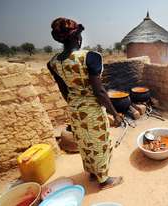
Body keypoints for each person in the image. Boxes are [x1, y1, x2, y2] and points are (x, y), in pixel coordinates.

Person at [47, 17, 124, 190]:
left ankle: (91, 172)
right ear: (76, 37)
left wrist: (75, 104)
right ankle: (104, 180)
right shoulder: (90, 57)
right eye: (79, 35)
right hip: (92, 110)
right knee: (99, 144)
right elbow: (99, 92)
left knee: (84, 142)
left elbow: (63, 89)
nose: (81, 39)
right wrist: (115, 114)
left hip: (74, 109)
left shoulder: (53, 63)